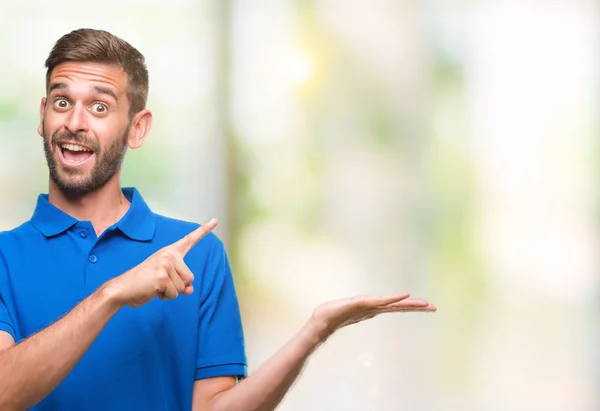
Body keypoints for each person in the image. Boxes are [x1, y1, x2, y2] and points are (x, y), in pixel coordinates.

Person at [0, 28, 436, 411]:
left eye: (99, 107)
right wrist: (112, 294)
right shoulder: (4, 256)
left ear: (137, 128)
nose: (75, 122)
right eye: (62, 101)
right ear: (43, 116)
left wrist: (314, 332)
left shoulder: (196, 254)